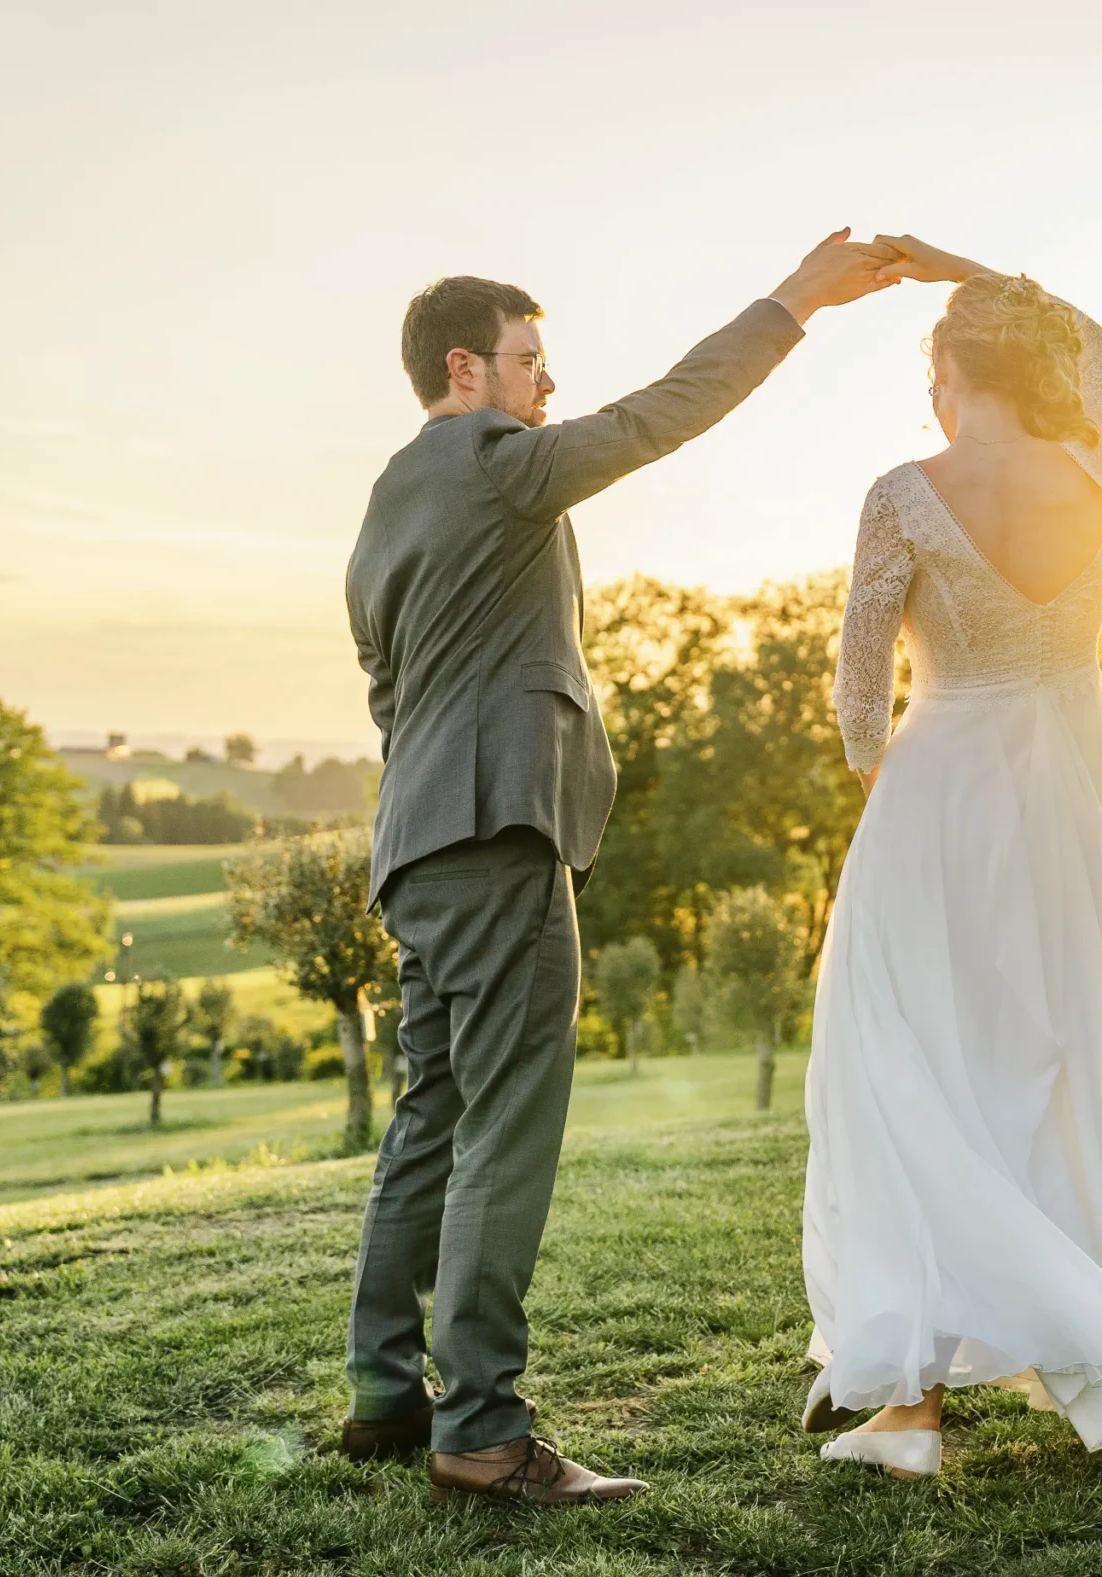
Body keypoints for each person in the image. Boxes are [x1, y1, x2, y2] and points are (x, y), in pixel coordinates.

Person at [340, 231, 897, 1506]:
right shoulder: (498, 467)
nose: (550, 386)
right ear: (466, 369)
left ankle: (383, 1394)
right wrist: (795, 302)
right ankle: (480, 1427)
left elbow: (386, 691)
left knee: (431, 1113)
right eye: (532, 363)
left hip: (415, 849)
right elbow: (666, 414)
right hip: (494, 841)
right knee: (504, 1126)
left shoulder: (386, 503)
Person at [799, 236, 1102, 1478]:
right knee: (1045, 1056)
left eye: (929, 366)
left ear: (950, 367)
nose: (925, 395)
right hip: (1063, 796)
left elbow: (854, 698)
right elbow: (1092, 341)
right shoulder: (1091, 467)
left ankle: (912, 1404)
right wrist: (954, 265)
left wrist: (879, 772)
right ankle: (1079, 1345)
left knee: (901, 1061)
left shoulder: (901, 489)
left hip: (939, 786)